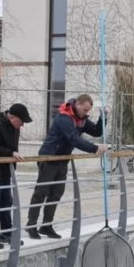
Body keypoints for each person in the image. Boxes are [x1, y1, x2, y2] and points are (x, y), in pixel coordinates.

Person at [26, 94, 109, 239]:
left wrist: (104, 117)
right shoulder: (63, 118)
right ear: (77, 105)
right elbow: (73, 139)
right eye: (85, 110)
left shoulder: (81, 120)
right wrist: (95, 149)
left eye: (88, 111)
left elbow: (96, 131)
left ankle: (46, 225)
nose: (86, 113)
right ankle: (31, 225)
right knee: (41, 192)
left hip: (62, 160)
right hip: (49, 158)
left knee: (56, 194)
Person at [0, 103, 33, 249]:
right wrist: (10, 153)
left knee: (6, 202)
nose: (22, 125)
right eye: (21, 121)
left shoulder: (13, 127)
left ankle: (7, 234)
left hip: (5, 172)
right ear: (13, 117)